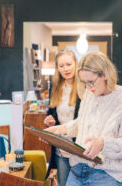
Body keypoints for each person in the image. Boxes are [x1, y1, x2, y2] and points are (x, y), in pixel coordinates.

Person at [46, 52, 122, 186]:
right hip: (77, 169)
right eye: (84, 83)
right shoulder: (89, 95)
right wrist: (61, 129)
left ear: (105, 74)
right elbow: (81, 122)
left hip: (106, 175)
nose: (88, 87)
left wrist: (102, 144)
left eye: (91, 82)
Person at [44, 50, 81, 186]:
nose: (65, 69)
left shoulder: (83, 87)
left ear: (75, 64)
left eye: (69, 64)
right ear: (57, 68)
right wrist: (50, 120)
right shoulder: (55, 87)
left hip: (79, 148)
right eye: (61, 66)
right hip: (61, 149)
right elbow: (52, 113)